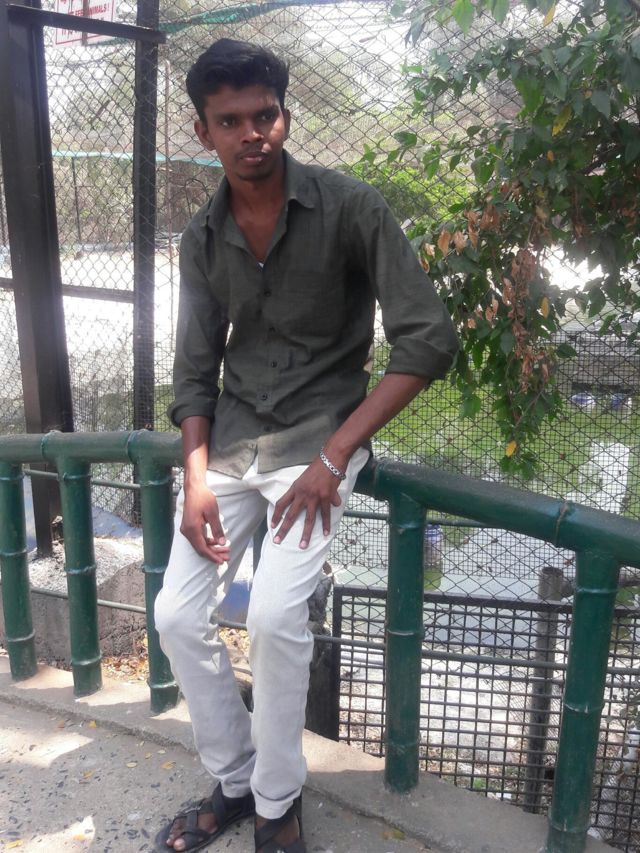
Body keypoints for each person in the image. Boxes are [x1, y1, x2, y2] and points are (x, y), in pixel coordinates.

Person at [154, 38, 458, 853]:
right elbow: (194, 374)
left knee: (277, 614)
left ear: (284, 117)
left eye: (265, 115)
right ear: (203, 131)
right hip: (230, 446)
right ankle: (234, 778)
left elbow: (428, 340)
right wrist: (195, 479)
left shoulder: (352, 208)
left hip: (317, 443)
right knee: (175, 614)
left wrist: (335, 457)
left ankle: (276, 802)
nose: (251, 133)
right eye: (230, 121)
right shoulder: (201, 237)